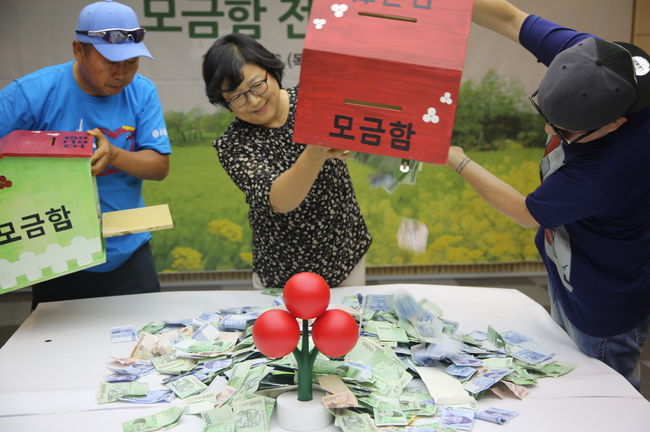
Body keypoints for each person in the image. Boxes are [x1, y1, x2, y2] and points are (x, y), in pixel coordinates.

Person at [446, 0, 650, 389]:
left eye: (564, 132)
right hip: (570, 266)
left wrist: (457, 159)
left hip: (602, 303)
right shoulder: (592, 61)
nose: (549, 132)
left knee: (601, 395)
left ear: (614, 124)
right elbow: (509, 18)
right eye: (546, 117)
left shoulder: (614, 166)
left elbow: (526, 212)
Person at [0, 0, 171, 308]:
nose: (121, 73)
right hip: (56, 251)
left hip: (128, 249)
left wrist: (114, 155)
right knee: (58, 337)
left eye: (132, 62)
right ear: (78, 50)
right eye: (110, 62)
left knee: (142, 335)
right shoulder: (31, 94)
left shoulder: (142, 92)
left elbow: (159, 166)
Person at [202, 33, 371, 290]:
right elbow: (280, 201)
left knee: (349, 317)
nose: (254, 101)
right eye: (236, 97)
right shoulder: (234, 144)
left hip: (345, 256)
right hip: (282, 274)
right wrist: (316, 148)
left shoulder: (313, 102)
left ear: (271, 71)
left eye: (257, 86)